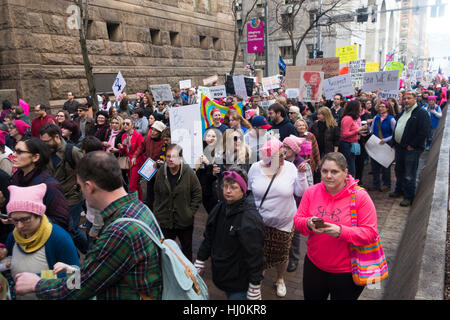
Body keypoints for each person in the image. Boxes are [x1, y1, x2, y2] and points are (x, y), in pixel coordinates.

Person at [13, 151, 163, 299]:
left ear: (89, 186)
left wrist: (37, 284)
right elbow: (100, 273)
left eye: (80, 187)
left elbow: (81, 286)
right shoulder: (139, 208)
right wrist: (76, 271)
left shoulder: (120, 231)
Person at [294, 152, 379, 300]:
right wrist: (308, 223)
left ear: (345, 172)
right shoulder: (312, 192)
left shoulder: (360, 197)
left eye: (334, 171)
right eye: (324, 171)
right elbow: (297, 221)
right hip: (315, 265)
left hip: (346, 271)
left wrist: (341, 231)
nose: (328, 176)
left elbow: (370, 233)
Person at [247, 138, 309, 297]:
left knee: (282, 254)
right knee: (258, 253)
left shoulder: (290, 168)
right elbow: (248, 191)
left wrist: (302, 175)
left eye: (283, 154)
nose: (284, 158)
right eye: (279, 156)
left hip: (284, 221)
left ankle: (280, 279)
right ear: (268, 159)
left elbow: (301, 193)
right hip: (260, 222)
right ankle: (257, 278)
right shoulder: (255, 168)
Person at [194, 167, 265, 300]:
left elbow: (256, 255)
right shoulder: (220, 208)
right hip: (224, 274)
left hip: (240, 282)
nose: (227, 191)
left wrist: (255, 285)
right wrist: (200, 259)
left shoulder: (249, 219)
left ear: (243, 190)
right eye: (225, 186)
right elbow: (209, 236)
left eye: (233, 187)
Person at [0, 183, 79, 300]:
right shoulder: (14, 236)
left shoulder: (59, 238)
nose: (20, 226)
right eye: (15, 220)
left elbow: (76, 280)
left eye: (25, 219)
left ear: (39, 214)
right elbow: (9, 264)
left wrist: (38, 279)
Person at [39, 123, 88, 254]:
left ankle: (87, 252)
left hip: (72, 197)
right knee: (65, 228)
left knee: (70, 228)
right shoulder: (47, 153)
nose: (44, 145)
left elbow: (86, 171)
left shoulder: (73, 152)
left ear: (56, 137)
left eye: (46, 141)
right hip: (56, 198)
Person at [153, 144, 202, 262]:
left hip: (184, 220)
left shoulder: (188, 173)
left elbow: (197, 193)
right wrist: (158, 211)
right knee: (165, 250)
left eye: (173, 156)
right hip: (165, 220)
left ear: (180, 158)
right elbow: (157, 193)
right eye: (168, 156)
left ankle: (188, 277)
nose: (170, 159)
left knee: (186, 250)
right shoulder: (161, 172)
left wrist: (190, 212)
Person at [8, 138, 70, 231]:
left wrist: (32, 223)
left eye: (19, 152)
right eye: (14, 150)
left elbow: (61, 220)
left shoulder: (49, 185)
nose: (14, 154)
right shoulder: (17, 178)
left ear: (35, 157)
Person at [390, 91, 431, 207]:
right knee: (399, 170)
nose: (406, 100)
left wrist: (412, 145)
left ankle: (408, 197)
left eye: (409, 98)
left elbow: (424, 132)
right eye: (404, 98)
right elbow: (397, 128)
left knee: (409, 173)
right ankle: (399, 190)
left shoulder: (421, 113)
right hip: (400, 147)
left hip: (411, 149)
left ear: (415, 100)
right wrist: (394, 142)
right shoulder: (403, 112)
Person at [282, 135, 314, 273]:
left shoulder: (302, 164)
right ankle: (282, 257)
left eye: (287, 147)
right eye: (283, 146)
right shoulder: (279, 162)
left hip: (297, 203)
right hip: (283, 202)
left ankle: (294, 259)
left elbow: (310, 186)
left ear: (294, 150)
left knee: (294, 233)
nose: (284, 149)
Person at [131, 120, 166, 210]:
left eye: (156, 130)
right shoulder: (147, 138)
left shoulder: (164, 141)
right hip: (150, 168)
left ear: (160, 132)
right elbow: (141, 148)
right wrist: (135, 156)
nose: (153, 132)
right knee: (149, 190)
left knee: (160, 191)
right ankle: (150, 209)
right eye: (152, 129)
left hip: (161, 170)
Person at [368, 101, 396, 192]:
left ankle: (386, 184)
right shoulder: (376, 118)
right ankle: (376, 184)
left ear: (387, 108)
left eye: (383, 107)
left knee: (385, 166)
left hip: (386, 145)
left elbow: (395, 134)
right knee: (374, 166)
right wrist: (367, 125)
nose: (380, 108)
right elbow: (371, 130)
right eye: (380, 107)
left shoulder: (391, 119)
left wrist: (386, 140)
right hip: (375, 144)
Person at [195, 128, 222, 214]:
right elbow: (197, 172)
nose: (211, 138)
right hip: (204, 189)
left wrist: (208, 164)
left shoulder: (220, 152)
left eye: (213, 136)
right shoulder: (200, 151)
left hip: (216, 191)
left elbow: (217, 172)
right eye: (208, 136)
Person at [118, 118, 145, 201]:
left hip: (137, 161)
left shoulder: (138, 136)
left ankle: (135, 203)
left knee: (132, 185)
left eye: (127, 124)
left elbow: (141, 148)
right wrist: (121, 148)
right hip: (128, 162)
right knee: (135, 184)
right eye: (124, 123)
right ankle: (140, 202)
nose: (125, 125)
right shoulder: (123, 136)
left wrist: (134, 157)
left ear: (132, 125)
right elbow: (124, 152)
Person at [338, 100, 367, 177]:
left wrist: (360, 133)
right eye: (360, 106)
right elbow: (344, 134)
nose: (361, 108)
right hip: (347, 146)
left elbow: (351, 131)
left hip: (351, 145)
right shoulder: (348, 118)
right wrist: (358, 130)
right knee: (350, 169)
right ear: (355, 108)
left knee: (352, 167)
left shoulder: (352, 118)